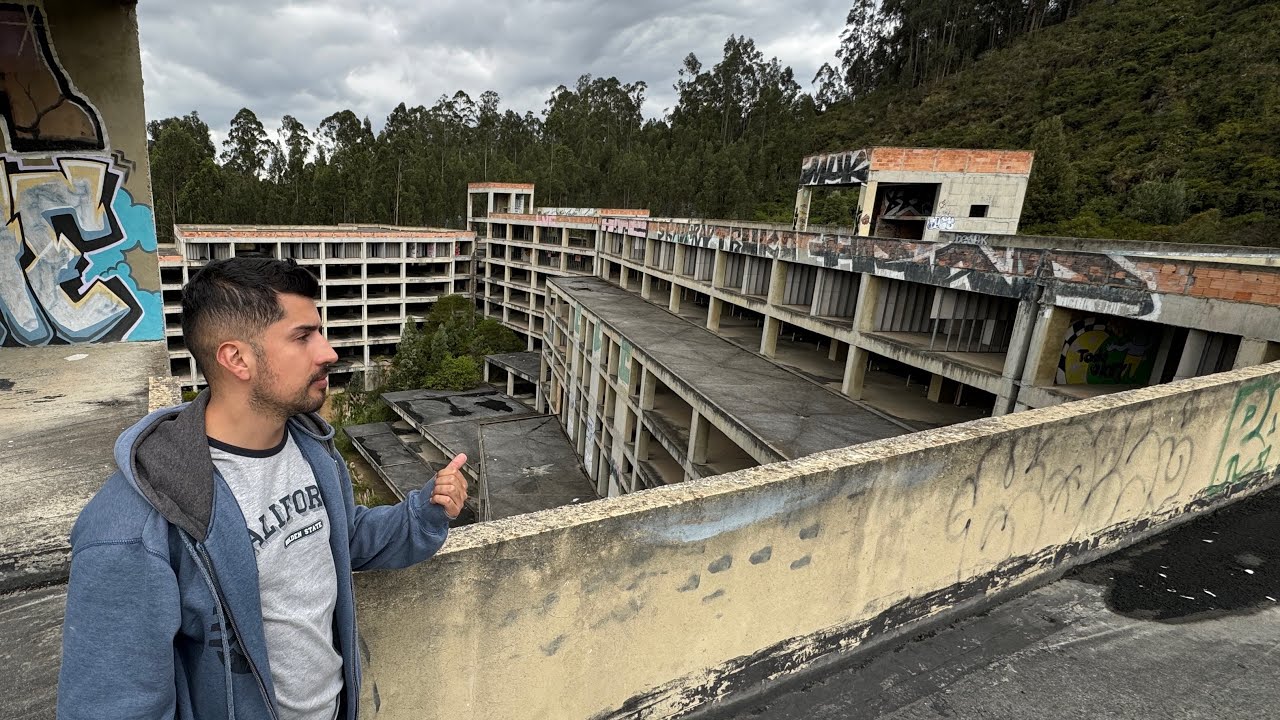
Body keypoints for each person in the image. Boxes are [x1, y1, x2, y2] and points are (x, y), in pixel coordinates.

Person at [57, 257, 467, 719]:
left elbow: (341, 540)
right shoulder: (136, 523)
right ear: (236, 358)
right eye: (303, 336)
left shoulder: (312, 449)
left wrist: (423, 511)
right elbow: (114, 706)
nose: (328, 352)